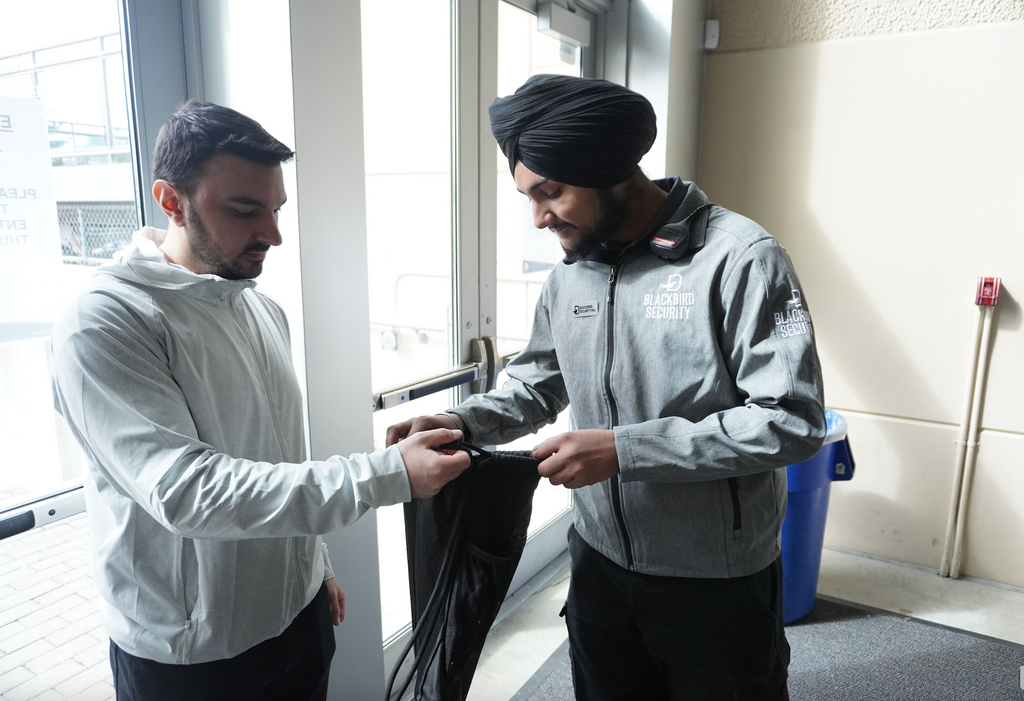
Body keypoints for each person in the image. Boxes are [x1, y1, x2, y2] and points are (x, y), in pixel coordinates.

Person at [387, 75, 827, 700]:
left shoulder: (740, 258)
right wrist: (462, 424)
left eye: (552, 193)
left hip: (716, 582)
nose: (539, 217)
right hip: (596, 563)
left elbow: (792, 418)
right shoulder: (571, 276)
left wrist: (625, 450)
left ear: (614, 173)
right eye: (529, 197)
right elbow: (537, 385)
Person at [50, 100, 470, 701]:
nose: (272, 233)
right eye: (246, 210)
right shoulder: (105, 319)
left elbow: (275, 457)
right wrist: (387, 476)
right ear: (171, 200)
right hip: (191, 658)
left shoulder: (259, 307)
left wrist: (312, 568)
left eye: (275, 209)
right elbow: (186, 491)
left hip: (298, 621)